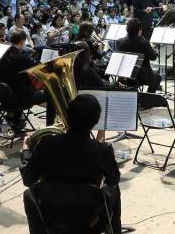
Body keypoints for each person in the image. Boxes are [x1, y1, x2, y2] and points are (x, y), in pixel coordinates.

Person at [21, 94, 122, 234]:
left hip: (51, 219)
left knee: (29, 194)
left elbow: (28, 181)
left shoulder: (46, 144)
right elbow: (114, 180)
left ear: (67, 117)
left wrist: (26, 152)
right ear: (96, 120)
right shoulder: (103, 150)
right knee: (115, 188)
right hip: (91, 223)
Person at [0, 31, 47, 131]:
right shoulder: (22, 58)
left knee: (16, 84)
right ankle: (50, 124)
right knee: (50, 93)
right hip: (21, 100)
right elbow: (40, 68)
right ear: (22, 42)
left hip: (5, 99)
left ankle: (16, 120)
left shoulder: (1, 56)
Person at [117, 18, 160, 93]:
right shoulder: (144, 43)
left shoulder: (119, 42)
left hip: (125, 75)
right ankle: (148, 97)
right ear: (139, 30)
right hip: (142, 76)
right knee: (158, 77)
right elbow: (153, 57)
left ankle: (134, 94)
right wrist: (153, 49)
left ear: (127, 29)